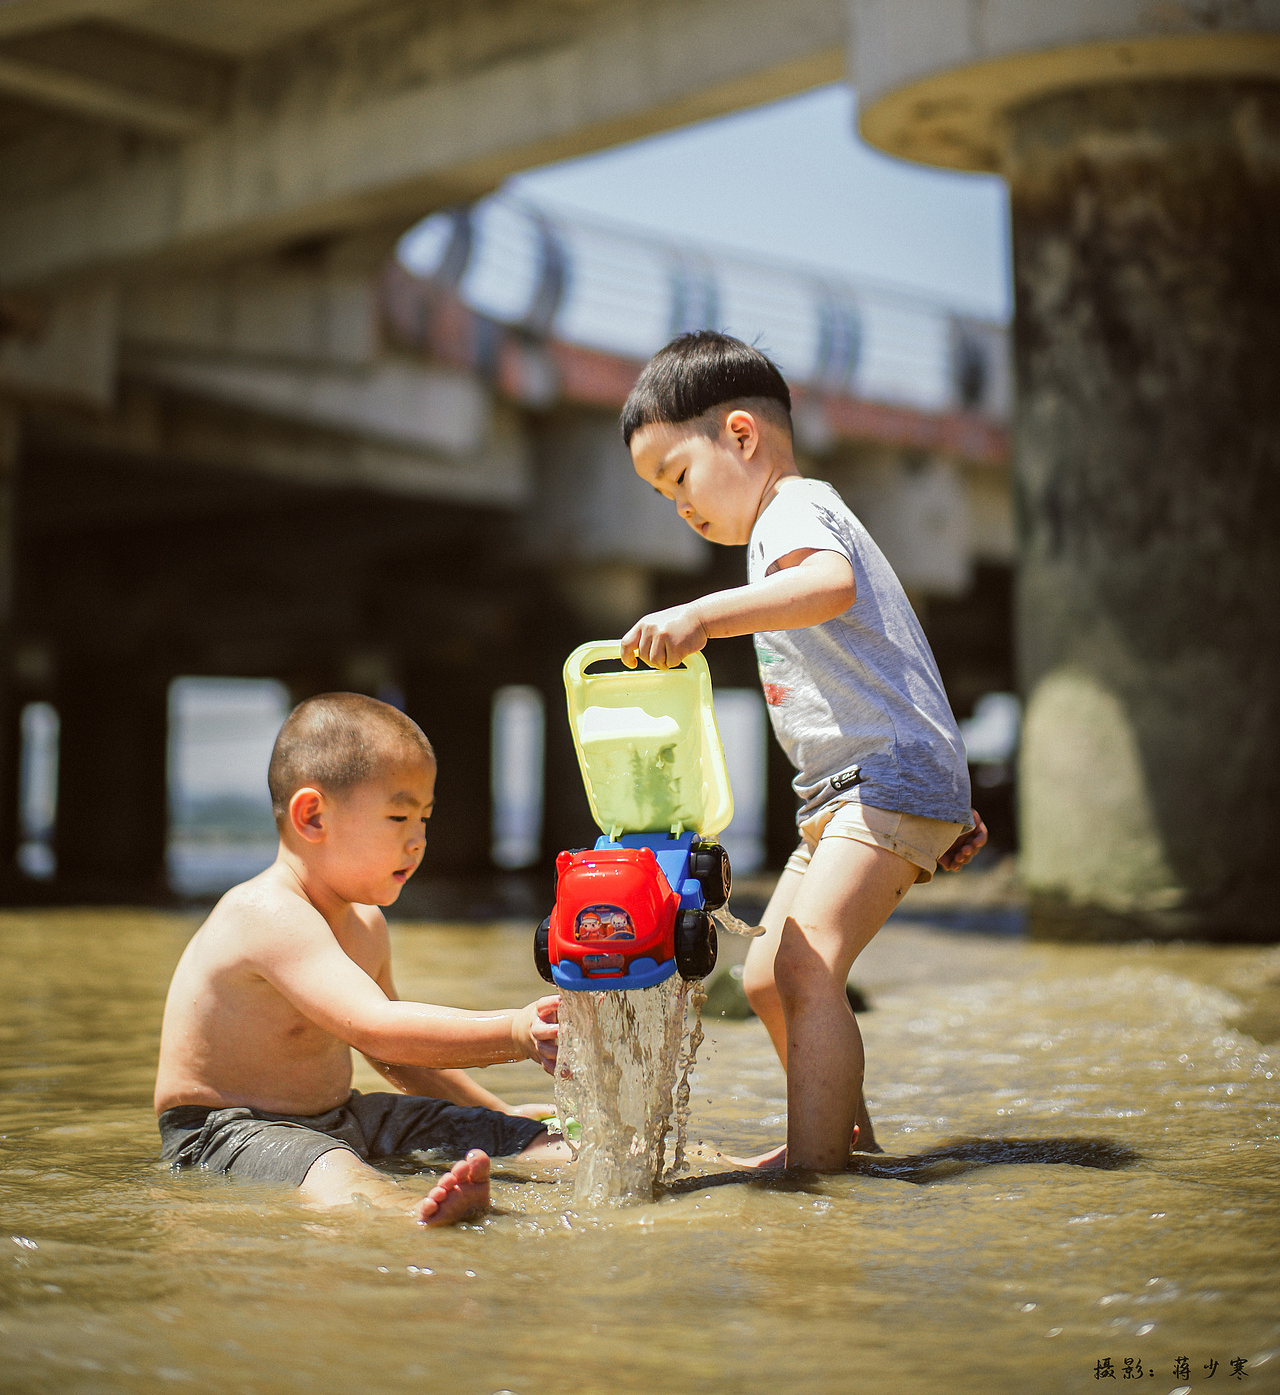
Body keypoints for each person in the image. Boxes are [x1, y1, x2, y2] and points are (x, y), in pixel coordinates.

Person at [619, 331, 988, 1172]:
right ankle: (846, 1145)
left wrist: (703, 615)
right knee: (765, 977)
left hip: (879, 780)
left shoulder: (792, 510)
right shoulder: (780, 526)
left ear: (741, 435)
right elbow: (889, 656)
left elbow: (832, 586)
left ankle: (817, 1174)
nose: (679, 506)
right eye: (662, 494)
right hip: (847, 789)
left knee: (805, 962)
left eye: (678, 476)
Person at [155, 692, 568, 1227]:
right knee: (331, 1165)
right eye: (398, 816)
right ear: (312, 816)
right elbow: (377, 1028)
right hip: (225, 1129)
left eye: (424, 818)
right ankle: (406, 1211)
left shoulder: (366, 924)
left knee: (507, 1134)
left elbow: (399, 1058)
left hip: (343, 1115)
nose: (418, 841)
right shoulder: (264, 912)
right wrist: (514, 1032)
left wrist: (499, 1113)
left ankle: (593, 1160)